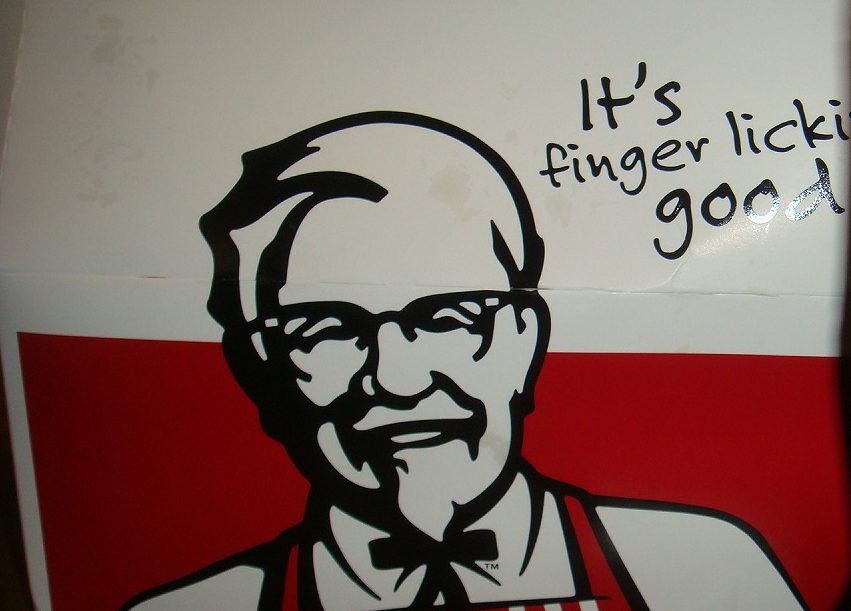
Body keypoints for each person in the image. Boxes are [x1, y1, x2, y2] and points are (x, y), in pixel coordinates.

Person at [125, 112, 807, 610]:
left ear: (523, 341)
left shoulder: (693, 571)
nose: (396, 379)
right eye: (327, 330)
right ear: (260, 367)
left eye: (448, 319)